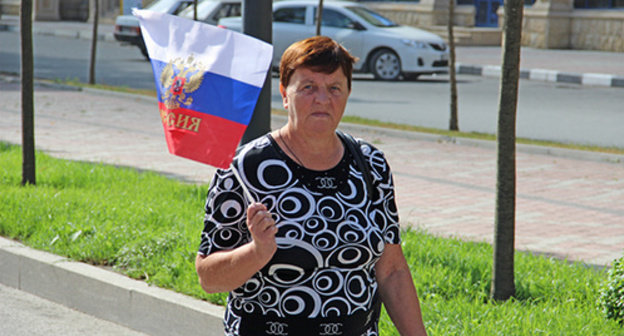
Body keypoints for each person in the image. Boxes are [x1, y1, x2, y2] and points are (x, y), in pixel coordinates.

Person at [195, 36, 428, 336]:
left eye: (334, 88)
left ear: (347, 93)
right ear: (285, 93)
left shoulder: (370, 164)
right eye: (308, 87)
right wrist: (257, 252)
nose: (322, 99)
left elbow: (392, 270)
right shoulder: (245, 168)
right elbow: (209, 278)